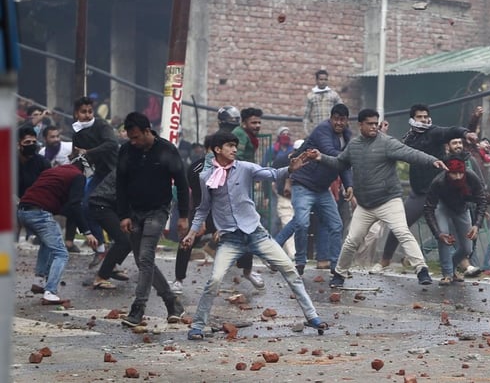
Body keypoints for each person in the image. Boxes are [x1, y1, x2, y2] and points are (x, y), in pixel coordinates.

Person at [182, 131, 328, 340]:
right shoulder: (206, 177)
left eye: (235, 146)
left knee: (289, 270)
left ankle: (312, 317)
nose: (234, 149)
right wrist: (192, 232)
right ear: (217, 150)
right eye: (230, 146)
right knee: (214, 280)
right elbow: (203, 208)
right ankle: (197, 326)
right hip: (230, 239)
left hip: (256, 234)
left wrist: (290, 169)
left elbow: (272, 174)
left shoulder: (245, 168)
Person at [316, 109, 446, 286]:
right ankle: (339, 274)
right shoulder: (353, 146)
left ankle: (422, 270)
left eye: (375, 124)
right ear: (360, 125)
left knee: (401, 231)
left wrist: (431, 160)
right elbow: (339, 162)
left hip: (389, 201)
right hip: (365, 205)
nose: (373, 127)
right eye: (369, 124)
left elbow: (410, 153)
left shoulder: (386, 143)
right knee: (352, 240)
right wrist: (320, 157)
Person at [373, 105, 473, 274]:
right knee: (400, 225)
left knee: (452, 227)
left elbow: (450, 131)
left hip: (442, 191)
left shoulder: (434, 133)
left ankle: (463, 265)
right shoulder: (410, 138)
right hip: (420, 192)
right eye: (420, 117)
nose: (424, 120)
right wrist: (382, 136)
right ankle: (385, 261)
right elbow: (395, 149)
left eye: (426, 116)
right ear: (412, 119)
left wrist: (465, 133)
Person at [115, 112, 189, 326]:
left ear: (148, 131)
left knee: (146, 258)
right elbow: (120, 184)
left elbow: (182, 184)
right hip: (133, 212)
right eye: (130, 137)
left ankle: (138, 310)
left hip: (158, 211)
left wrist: (183, 216)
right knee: (142, 261)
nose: (133, 141)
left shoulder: (166, 150)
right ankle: (172, 303)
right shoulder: (127, 151)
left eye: (136, 137)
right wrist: (123, 215)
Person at [275, 103, 350, 283]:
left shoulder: (347, 136)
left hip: (322, 188)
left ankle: (336, 268)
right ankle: (300, 261)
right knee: (301, 223)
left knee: (336, 225)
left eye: (343, 119)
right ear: (331, 118)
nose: (339, 123)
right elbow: (337, 157)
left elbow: (343, 165)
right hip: (303, 184)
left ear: (347, 121)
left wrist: (349, 185)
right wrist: (352, 158)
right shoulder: (322, 131)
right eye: (336, 119)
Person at [18, 157, 99, 304]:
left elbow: (62, 203)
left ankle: (39, 281)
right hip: (39, 213)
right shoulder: (78, 176)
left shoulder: (54, 171)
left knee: (47, 242)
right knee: (61, 253)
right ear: (86, 167)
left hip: (23, 211)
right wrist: (87, 232)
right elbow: (75, 204)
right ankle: (50, 292)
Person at [423, 158, 489, 284]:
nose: (458, 177)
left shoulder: (471, 177)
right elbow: (429, 208)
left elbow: (482, 199)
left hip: (462, 209)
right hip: (442, 207)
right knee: (444, 235)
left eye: (460, 173)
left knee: (467, 248)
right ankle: (447, 274)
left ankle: (452, 268)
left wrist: (477, 225)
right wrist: (437, 233)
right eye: (454, 173)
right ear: (447, 172)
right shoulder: (438, 182)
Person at [303, 70, 342, 136]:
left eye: (325, 79)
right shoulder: (311, 96)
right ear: (316, 80)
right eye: (321, 79)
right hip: (317, 129)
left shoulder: (333, 95)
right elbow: (306, 116)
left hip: (331, 129)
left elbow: (342, 111)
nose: (323, 81)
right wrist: (307, 132)